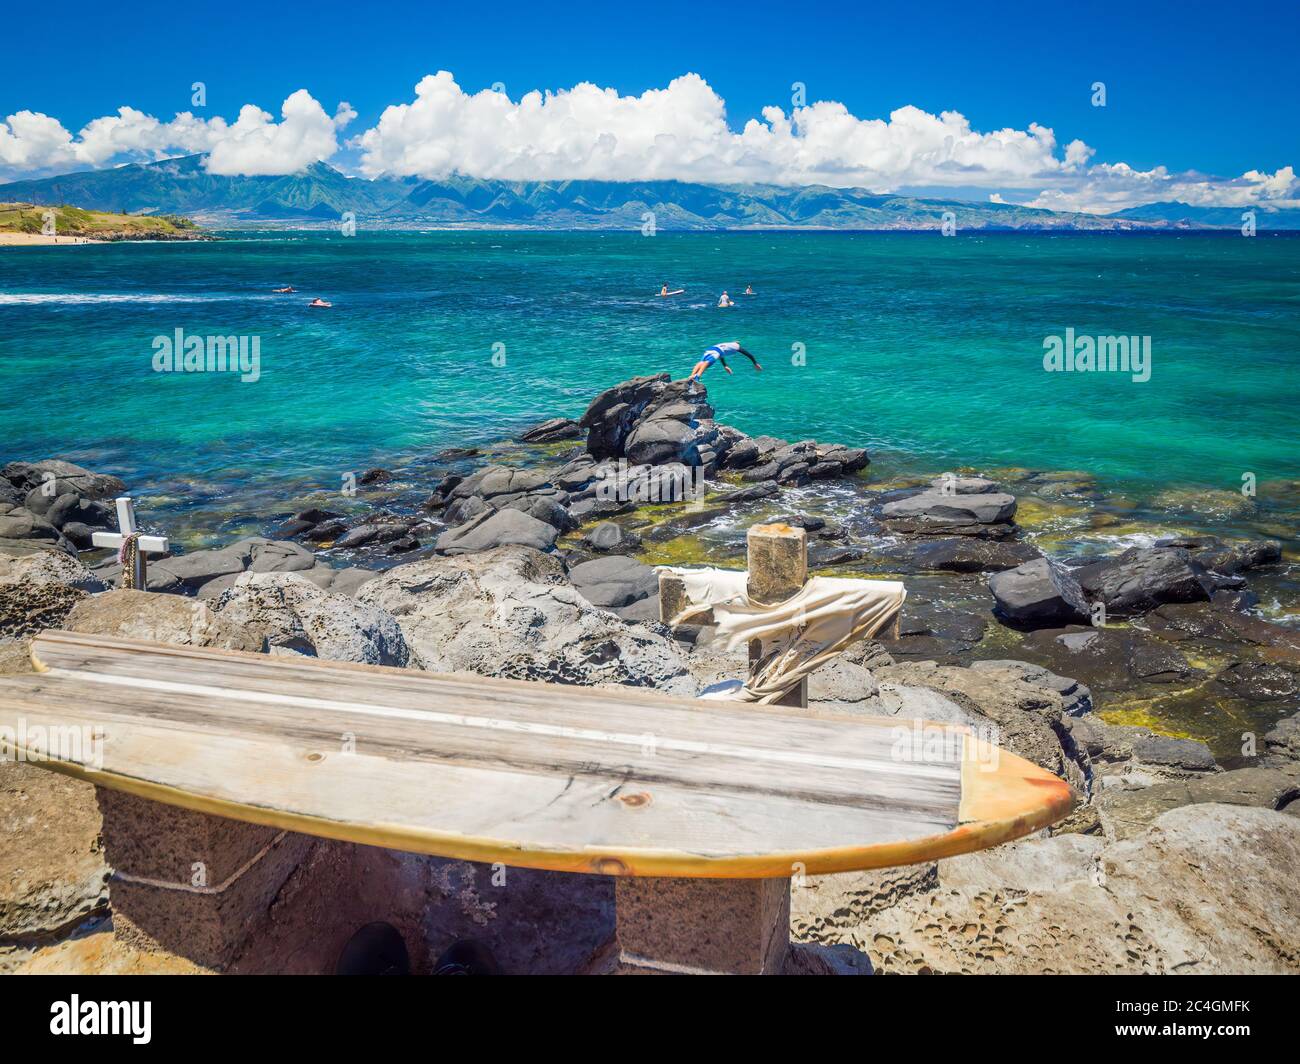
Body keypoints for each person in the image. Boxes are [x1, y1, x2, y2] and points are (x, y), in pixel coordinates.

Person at [687, 341, 762, 383]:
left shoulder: (727, 345)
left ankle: (691, 376)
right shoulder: (737, 347)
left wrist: (725, 366)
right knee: (707, 363)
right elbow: (748, 354)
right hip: (716, 352)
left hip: (710, 349)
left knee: (701, 362)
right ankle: (697, 376)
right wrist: (755, 363)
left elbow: (722, 355)